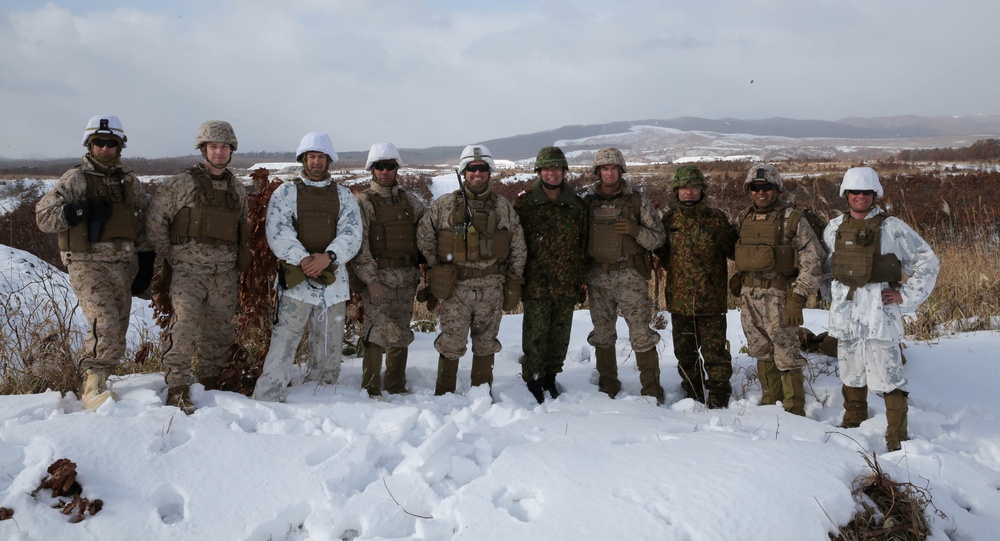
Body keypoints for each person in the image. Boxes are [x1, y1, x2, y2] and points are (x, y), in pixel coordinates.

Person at [35, 115, 153, 410]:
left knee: (120, 324)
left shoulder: (130, 182)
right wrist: (78, 211)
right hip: (87, 263)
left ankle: (104, 375)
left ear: (119, 146)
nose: (104, 148)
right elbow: (43, 217)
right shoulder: (75, 179)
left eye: (110, 143)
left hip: (123, 264)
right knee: (106, 321)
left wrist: (147, 261)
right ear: (89, 144)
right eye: (98, 142)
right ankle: (93, 383)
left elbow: (143, 224)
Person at [824, 167, 939, 451]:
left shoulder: (892, 227)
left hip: (879, 312)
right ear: (846, 195)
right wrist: (833, 295)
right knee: (850, 369)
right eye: (855, 192)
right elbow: (827, 268)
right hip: (847, 313)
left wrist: (906, 295)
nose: (860, 197)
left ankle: (897, 435)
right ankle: (853, 420)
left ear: (874, 195)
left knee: (889, 373)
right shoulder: (834, 227)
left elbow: (927, 261)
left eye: (866, 192)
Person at [252, 133, 363, 402]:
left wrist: (329, 257)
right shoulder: (286, 192)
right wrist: (303, 259)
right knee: (283, 344)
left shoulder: (343, 195)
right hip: (296, 281)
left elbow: (352, 233)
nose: (316, 162)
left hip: (333, 283)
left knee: (328, 346)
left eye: (321, 157)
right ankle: (267, 398)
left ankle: (321, 395)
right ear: (304, 159)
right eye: (312, 156)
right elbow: (278, 231)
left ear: (328, 161)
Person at [147, 120, 248, 413]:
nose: (219, 152)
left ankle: (211, 382)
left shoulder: (236, 189)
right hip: (188, 272)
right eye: (214, 147)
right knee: (185, 327)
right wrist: (174, 256)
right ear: (203, 149)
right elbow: (156, 222)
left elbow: (241, 229)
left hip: (224, 274)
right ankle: (177, 385)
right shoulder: (182, 183)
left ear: (232, 150)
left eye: (225, 147)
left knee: (219, 332)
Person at [416, 144, 527, 396]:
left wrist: (514, 281)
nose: (477, 174)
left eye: (482, 169)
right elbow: (424, 235)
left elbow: (518, 246)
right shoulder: (444, 205)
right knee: (452, 341)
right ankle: (444, 394)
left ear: (490, 172)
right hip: (457, 287)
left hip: (491, 286)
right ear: (464, 172)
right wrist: (438, 266)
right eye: (472, 169)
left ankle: (481, 393)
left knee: (486, 343)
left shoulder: (502, 207)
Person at [733, 163, 823, 416]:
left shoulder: (793, 220)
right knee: (761, 350)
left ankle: (794, 409)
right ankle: (771, 404)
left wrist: (798, 297)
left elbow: (814, 262)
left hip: (780, 298)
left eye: (767, 187)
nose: (761, 192)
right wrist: (740, 278)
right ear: (749, 190)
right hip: (750, 297)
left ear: (777, 189)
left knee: (787, 353)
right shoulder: (744, 218)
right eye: (755, 187)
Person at [583, 148, 667, 404]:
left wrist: (634, 230)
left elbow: (659, 238)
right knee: (603, 334)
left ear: (621, 170)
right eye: (604, 168)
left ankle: (651, 390)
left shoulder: (636, 202)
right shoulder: (587, 203)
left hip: (630, 277)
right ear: (598, 172)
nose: (609, 173)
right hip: (598, 278)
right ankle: (608, 386)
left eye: (614, 168)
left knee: (641, 334)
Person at [654, 165, 739, 409]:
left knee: (715, 355)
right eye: (683, 187)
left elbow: (734, 251)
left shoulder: (717, 219)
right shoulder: (669, 221)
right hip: (680, 302)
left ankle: (719, 395)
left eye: (694, 187)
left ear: (702, 190)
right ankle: (693, 392)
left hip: (710, 301)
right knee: (685, 355)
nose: (689, 192)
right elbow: (661, 253)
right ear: (676, 191)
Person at [513, 146, 588, 403]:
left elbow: (583, 245)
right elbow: (514, 243)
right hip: (536, 282)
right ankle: (533, 377)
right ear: (539, 171)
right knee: (535, 335)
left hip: (566, 282)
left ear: (564, 171)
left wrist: (581, 279)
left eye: (557, 168)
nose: (552, 173)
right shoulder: (524, 204)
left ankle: (550, 376)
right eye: (547, 168)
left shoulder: (576, 205)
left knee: (559, 335)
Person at [350, 143, 425, 398]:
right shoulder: (364, 202)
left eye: (389, 166)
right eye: (379, 167)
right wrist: (371, 281)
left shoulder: (409, 202)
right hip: (379, 278)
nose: (385, 171)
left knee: (401, 331)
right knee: (376, 332)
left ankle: (396, 384)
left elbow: (427, 234)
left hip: (406, 277)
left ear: (396, 169)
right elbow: (360, 246)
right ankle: (371, 387)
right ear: (372, 170)